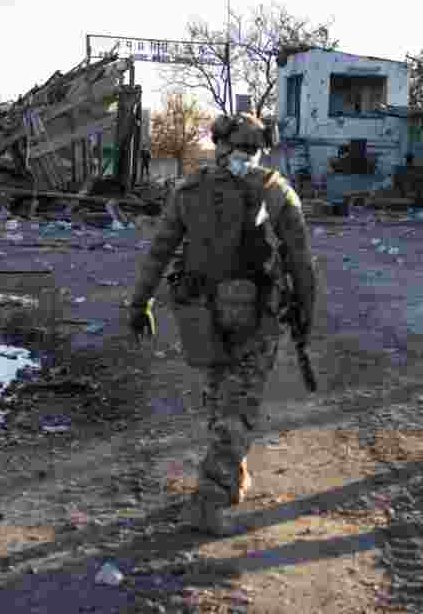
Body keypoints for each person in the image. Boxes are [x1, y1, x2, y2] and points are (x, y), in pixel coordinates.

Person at [127, 113, 316, 535]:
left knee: (220, 402)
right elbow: (301, 262)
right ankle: (209, 499)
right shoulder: (275, 191)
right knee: (239, 407)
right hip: (255, 316)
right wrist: (306, 312)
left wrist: (139, 304)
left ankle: (231, 480)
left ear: (218, 145)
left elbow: (159, 251)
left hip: (200, 315)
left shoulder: (188, 191)